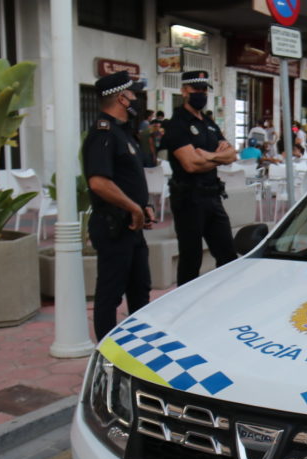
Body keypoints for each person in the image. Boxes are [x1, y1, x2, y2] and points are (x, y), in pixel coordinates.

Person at [81, 70, 154, 340]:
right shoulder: (104, 133)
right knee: (110, 294)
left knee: (140, 289)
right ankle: (106, 356)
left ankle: (137, 347)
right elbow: (99, 182)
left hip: (130, 226)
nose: (136, 99)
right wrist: (133, 207)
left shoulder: (124, 133)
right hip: (113, 226)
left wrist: (142, 206)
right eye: (133, 94)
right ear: (122, 98)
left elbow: (127, 179)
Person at [161, 70, 238, 286]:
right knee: (190, 258)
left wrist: (210, 156)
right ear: (185, 91)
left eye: (204, 90)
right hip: (189, 198)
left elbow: (232, 154)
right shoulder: (177, 124)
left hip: (213, 196)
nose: (201, 94)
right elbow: (191, 164)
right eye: (197, 89)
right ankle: (183, 308)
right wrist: (219, 157)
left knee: (227, 255)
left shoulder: (209, 123)